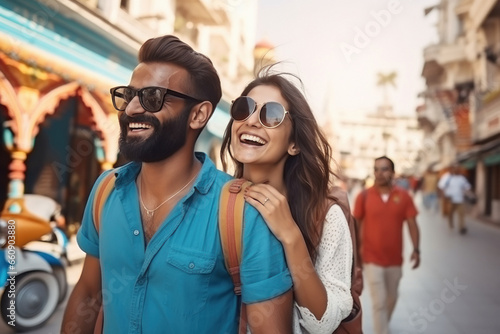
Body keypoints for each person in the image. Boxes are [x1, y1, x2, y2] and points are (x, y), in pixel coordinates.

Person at [61, 35, 293, 334]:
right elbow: (89, 293)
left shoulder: (242, 214)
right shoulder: (107, 189)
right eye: (129, 95)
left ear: (198, 115)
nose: (131, 109)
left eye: (152, 97)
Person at [220, 69, 353, 333]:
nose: (252, 121)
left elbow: (323, 322)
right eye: (244, 108)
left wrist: (291, 236)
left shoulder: (324, 216)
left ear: (294, 143)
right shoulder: (213, 201)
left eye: (271, 115)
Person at [353, 156, 420, 334]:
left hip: (395, 259)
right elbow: (356, 226)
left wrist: (416, 249)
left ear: (392, 172)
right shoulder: (364, 196)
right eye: (376, 169)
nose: (379, 173)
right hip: (371, 258)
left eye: (383, 169)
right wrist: (355, 256)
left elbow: (412, 224)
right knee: (379, 302)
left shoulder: (403, 196)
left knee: (391, 298)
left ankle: (382, 325)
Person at [437, 163, 471, 234]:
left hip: (460, 199)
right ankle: (451, 225)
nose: (456, 170)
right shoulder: (447, 177)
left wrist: (468, 191)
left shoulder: (461, 178)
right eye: (454, 169)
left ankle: (462, 227)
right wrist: (444, 196)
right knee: (450, 213)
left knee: (461, 214)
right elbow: (441, 186)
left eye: (457, 169)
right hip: (450, 199)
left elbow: (467, 186)